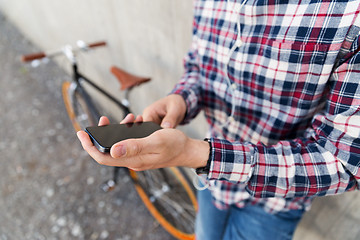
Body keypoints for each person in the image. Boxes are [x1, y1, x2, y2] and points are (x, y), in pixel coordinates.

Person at [77, 0, 360, 239]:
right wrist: (182, 98)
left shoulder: (349, 13)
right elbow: (200, 67)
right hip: (211, 183)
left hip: (274, 204)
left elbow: (345, 162)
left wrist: (198, 154)